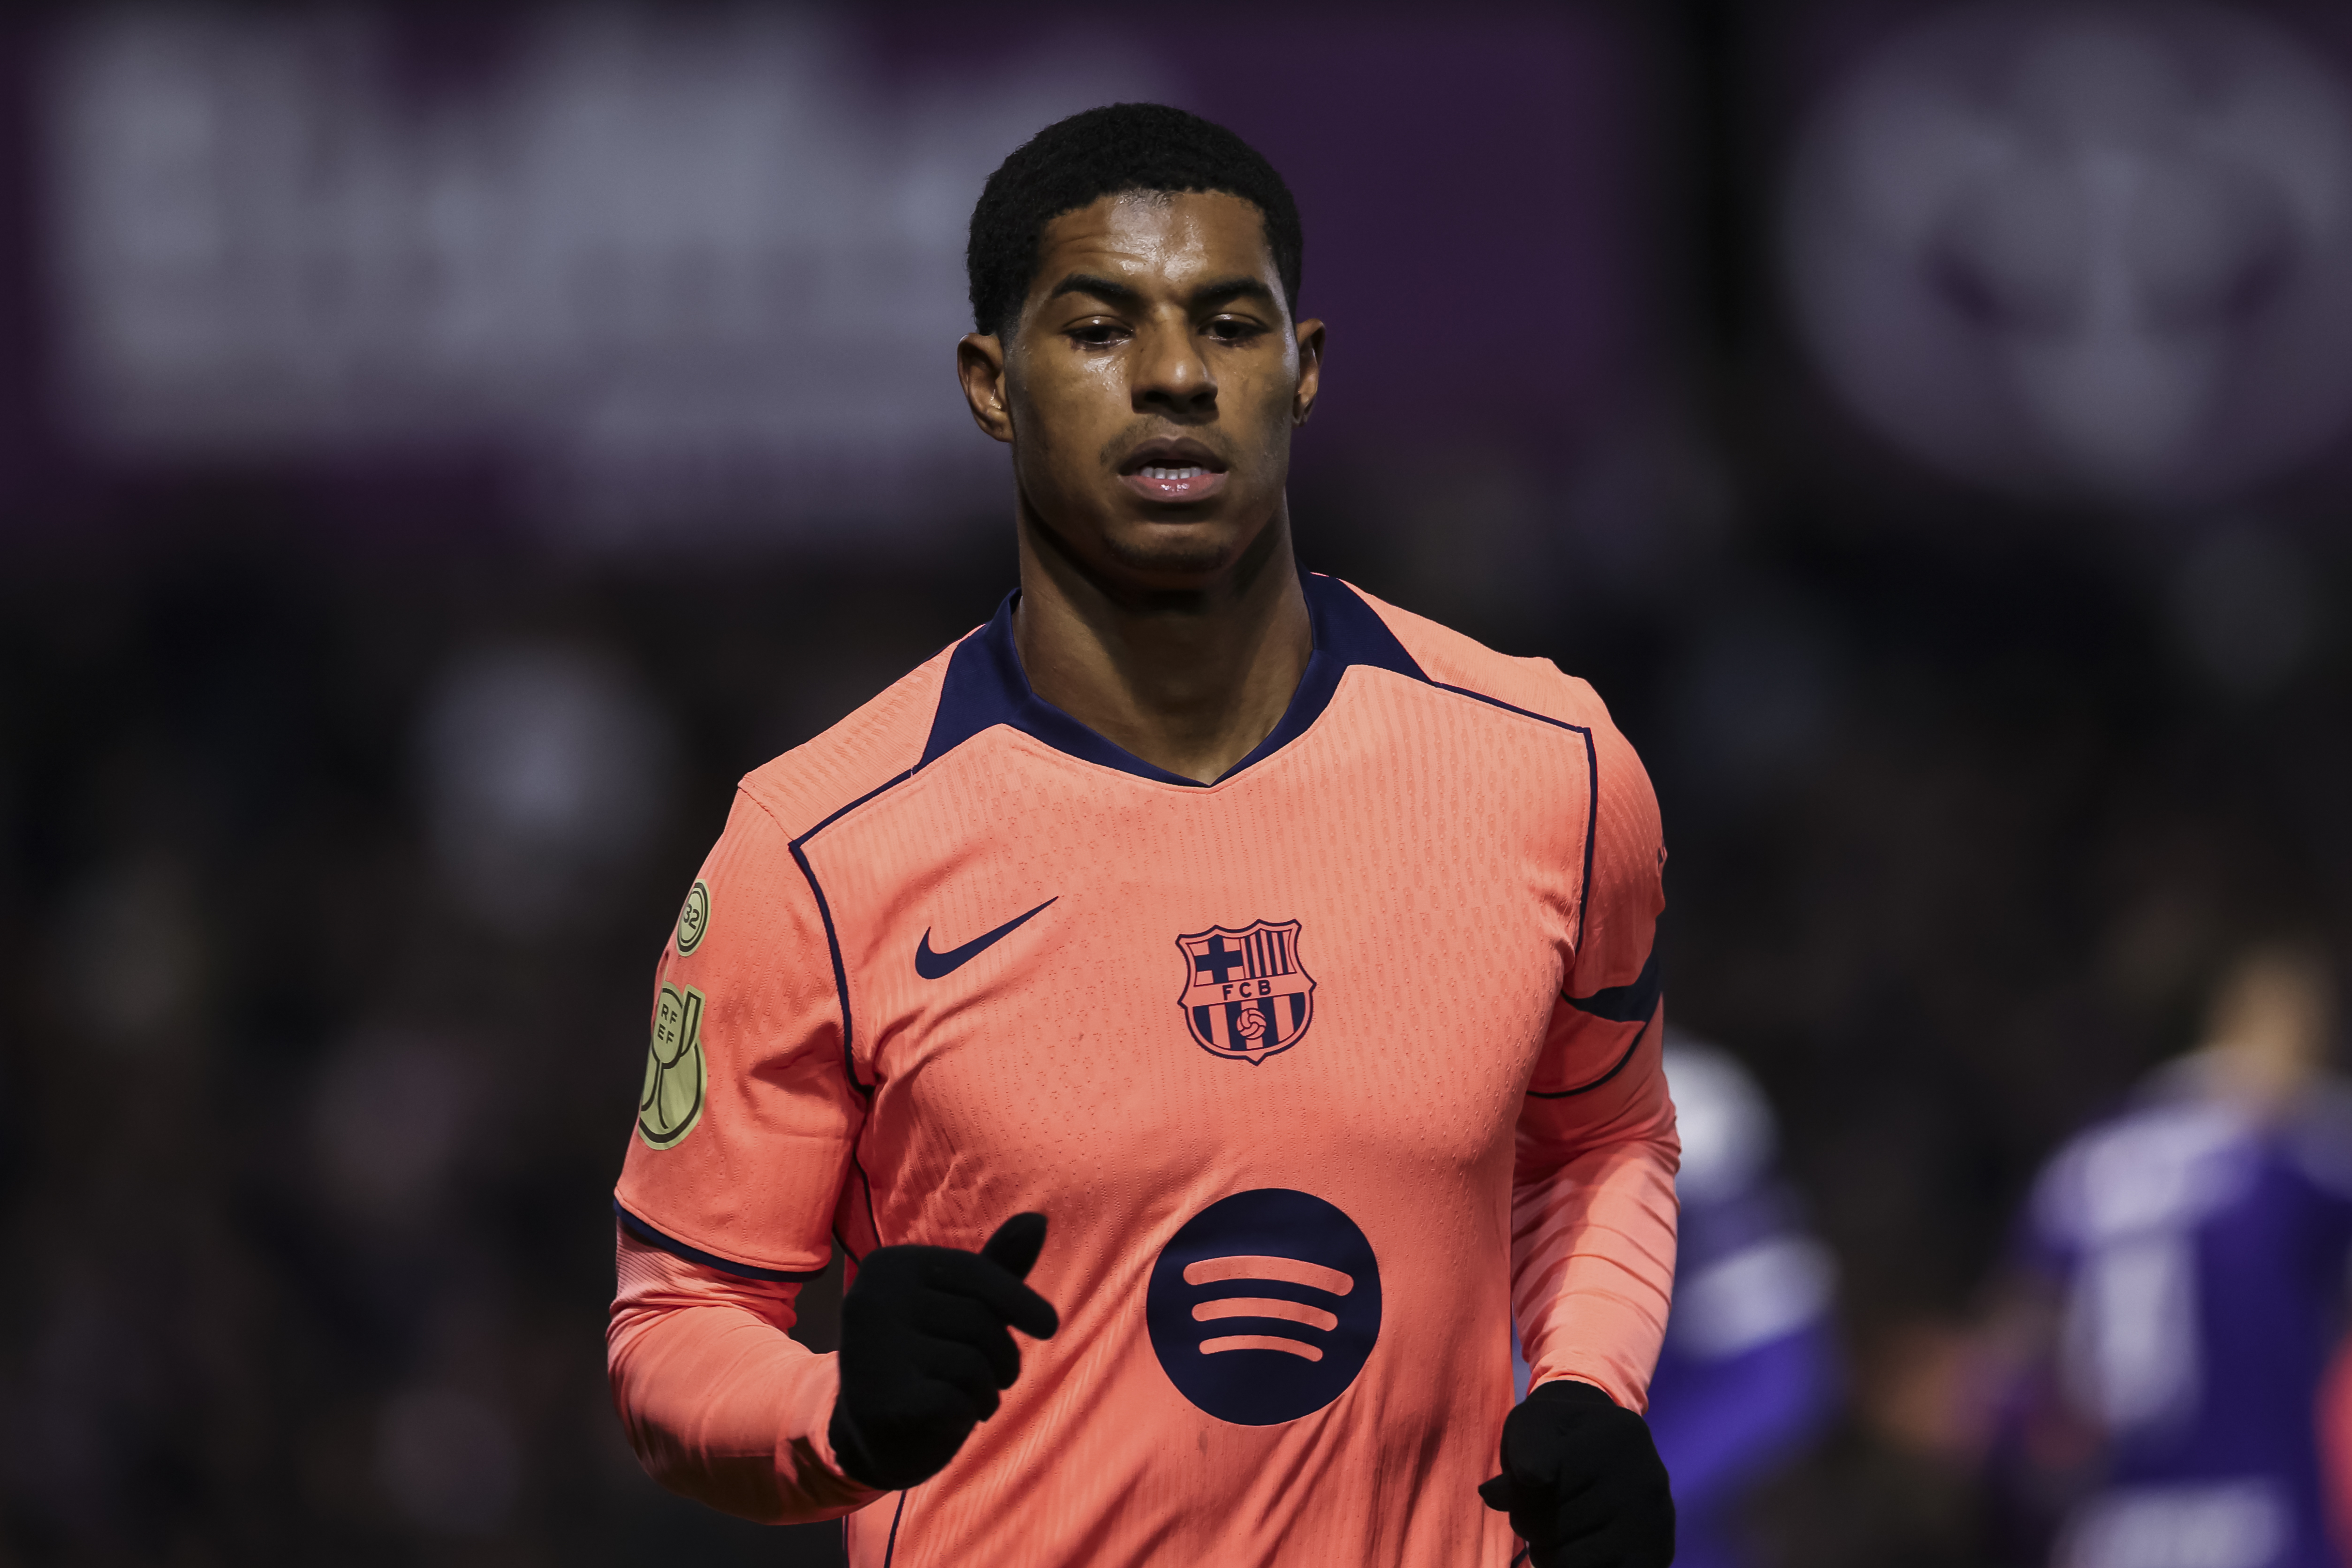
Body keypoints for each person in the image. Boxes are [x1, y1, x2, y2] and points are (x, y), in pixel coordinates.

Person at [604, 103, 1679, 1568]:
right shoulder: (811, 852)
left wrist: (1588, 1385)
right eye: (1099, 329)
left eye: (1228, 325)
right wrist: (833, 1414)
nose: (1174, 376)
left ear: (1303, 368)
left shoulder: (1551, 767)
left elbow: (1598, 1139)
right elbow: (674, 1327)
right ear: (992, 384)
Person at [2006, 943, 2352, 1568]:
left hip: (2116, 1536)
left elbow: (2026, 1333)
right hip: (2258, 1525)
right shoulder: (2294, 1147)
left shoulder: (2090, 1155)